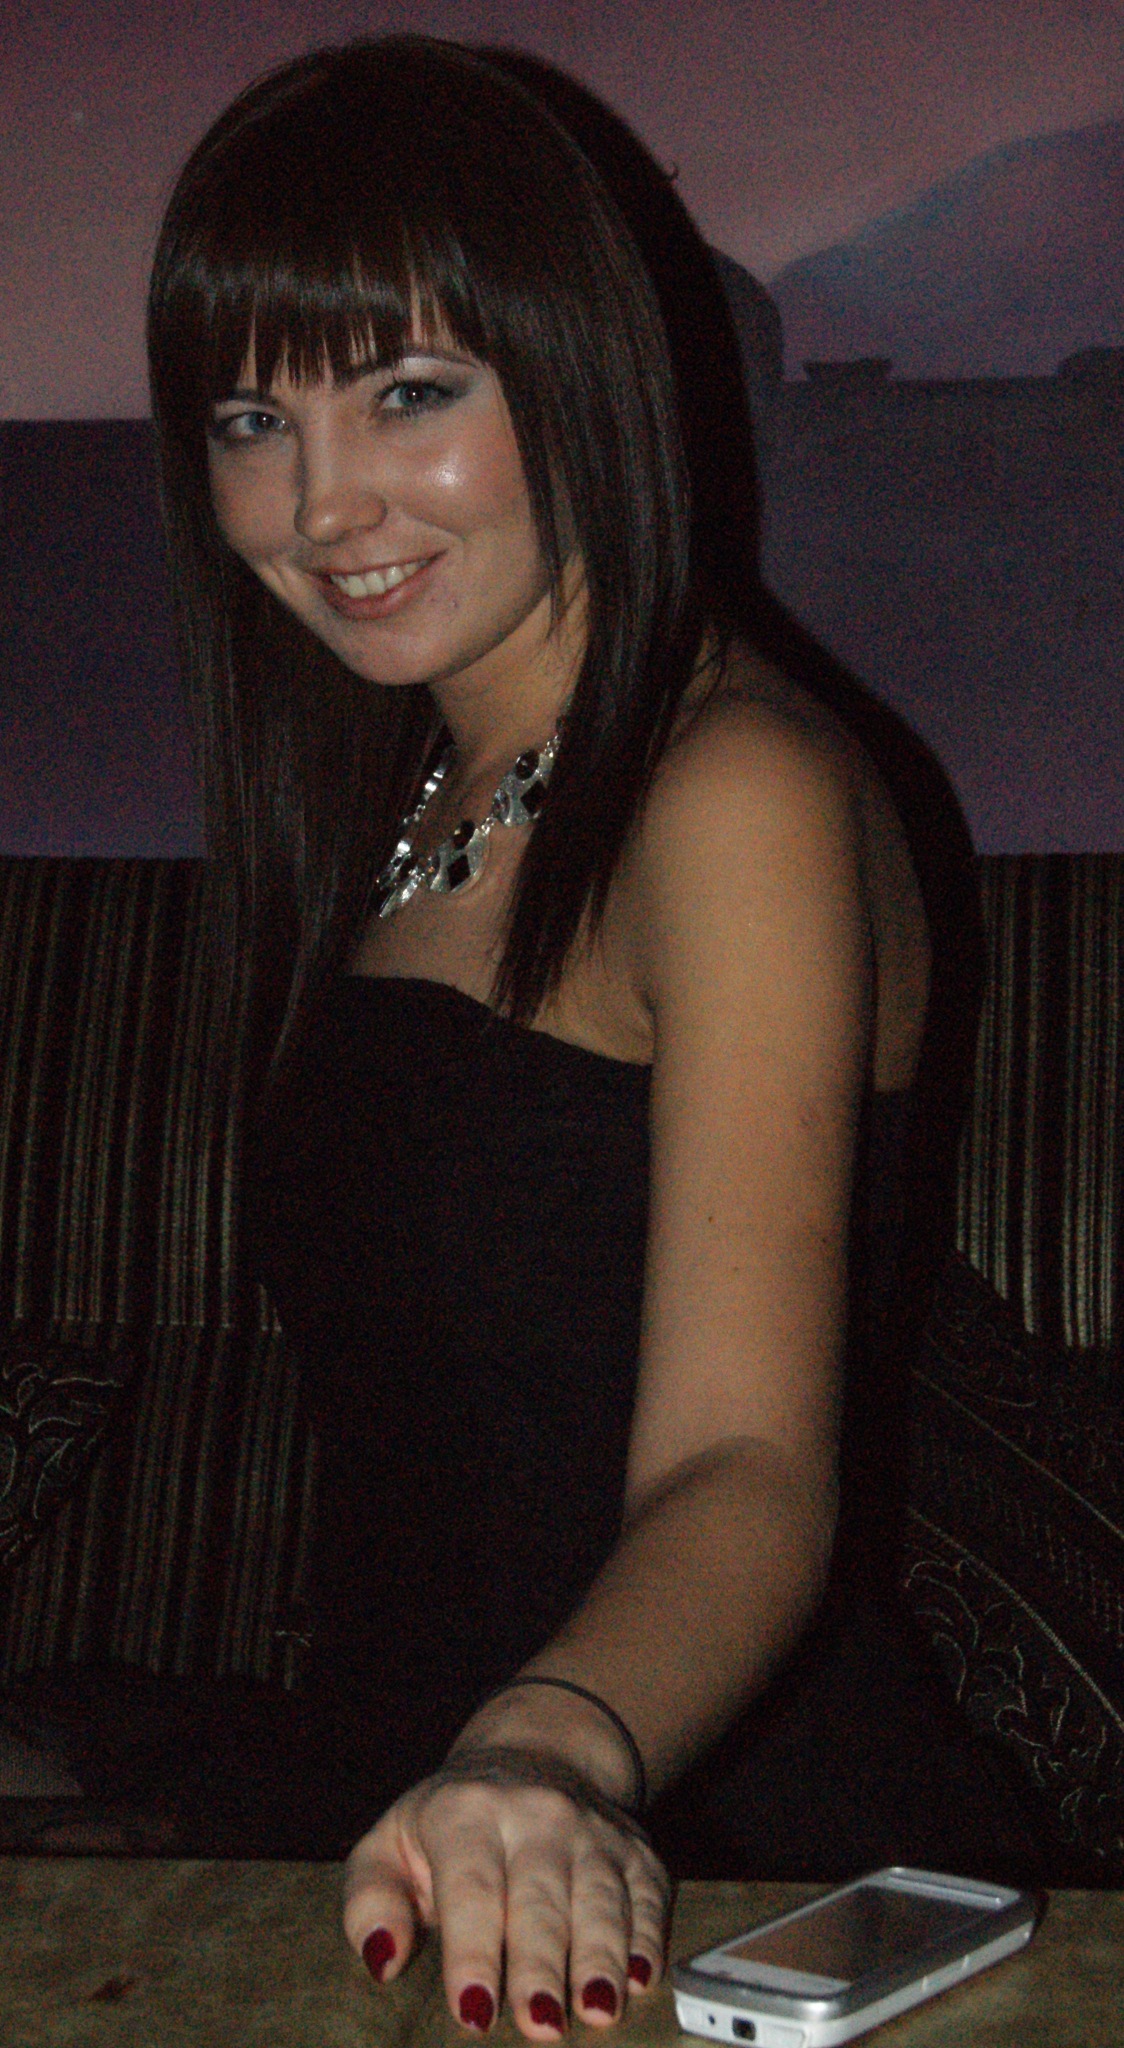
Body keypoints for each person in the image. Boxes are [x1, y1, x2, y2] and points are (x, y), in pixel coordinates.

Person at [141, 32, 1048, 2039]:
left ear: (578, 371)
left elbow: (744, 1459)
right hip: (413, 1832)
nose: (322, 503)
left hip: (711, 1865)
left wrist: (542, 1753)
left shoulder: (732, 789)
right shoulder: (404, 788)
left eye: (408, 392)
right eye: (250, 419)